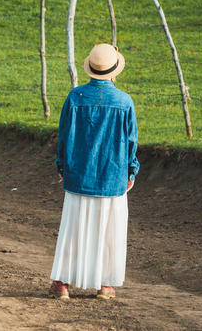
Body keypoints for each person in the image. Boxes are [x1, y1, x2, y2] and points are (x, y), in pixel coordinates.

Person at [49, 43, 139, 300]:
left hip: (79, 174)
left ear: (90, 67)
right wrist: (131, 171)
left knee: (72, 229)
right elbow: (131, 141)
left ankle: (62, 284)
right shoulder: (124, 101)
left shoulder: (75, 97)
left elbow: (63, 136)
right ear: (115, 70)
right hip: (113, 176)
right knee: (110, 231)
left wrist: (61, 167)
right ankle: (105, 285)